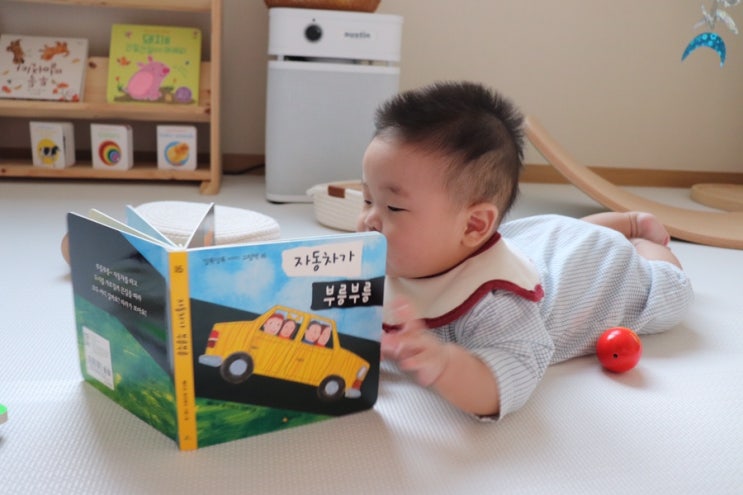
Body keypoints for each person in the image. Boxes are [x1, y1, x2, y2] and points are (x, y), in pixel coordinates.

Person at [356, 81, 694, 420]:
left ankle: (639, 236)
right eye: (368, 199)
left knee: (671, 292)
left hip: (600, 268)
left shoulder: (495, 303)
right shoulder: (404, 256)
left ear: (474, 226)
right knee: (560, 232)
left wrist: (446, 364)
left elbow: (512, 373)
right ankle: (625, 222)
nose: (370, 219)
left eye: (394, 208)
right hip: (544, 239)